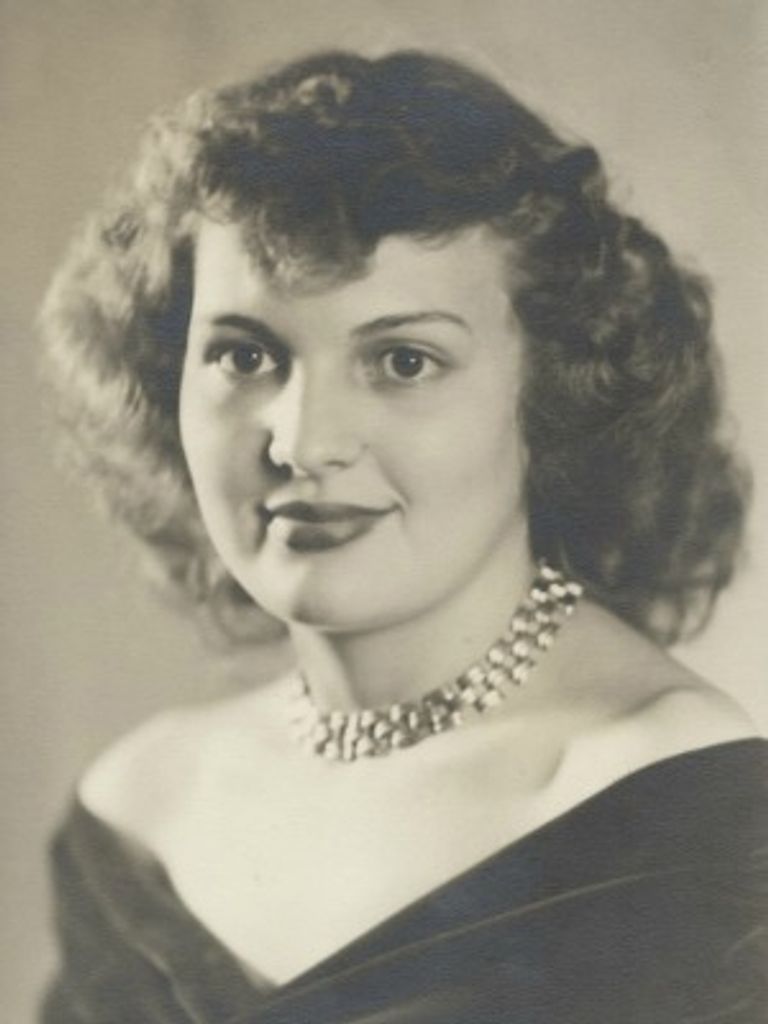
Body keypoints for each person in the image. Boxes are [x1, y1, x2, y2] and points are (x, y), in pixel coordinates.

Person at [39, 49, 767, 1023]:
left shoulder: (690, 818)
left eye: (403, 361)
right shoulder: (137, 814)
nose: (304, 443)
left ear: (551, 394)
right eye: (245, 355)